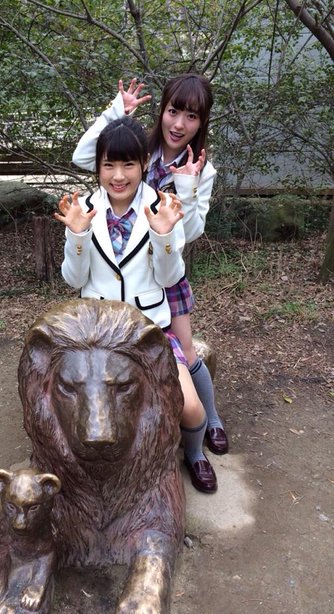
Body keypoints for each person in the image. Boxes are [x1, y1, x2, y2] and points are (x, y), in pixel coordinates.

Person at [55, 115, 218, 493]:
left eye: (128, 164)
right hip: (97, 337)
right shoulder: (83, 208)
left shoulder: (163, 206)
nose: (118, 176)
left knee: (190, 408)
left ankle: (195, 454)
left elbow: (169, 278)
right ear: (97, 167)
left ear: (144, 163)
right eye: (108, 165)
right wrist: (77, 235)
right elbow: (74, 280)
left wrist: (164, 236)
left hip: (151, 331)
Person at [71, 75, 229, 456]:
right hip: (126, 273)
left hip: (166, 267)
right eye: (173, 111)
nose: (179, 124)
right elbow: (85, 158)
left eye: (191, 117)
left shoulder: (201, 169)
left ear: (202, 122)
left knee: (186, 351)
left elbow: (192, 231)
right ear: (162, 111)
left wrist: (186, 187)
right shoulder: (142, 149)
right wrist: (116, 112)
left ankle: (210, 418)